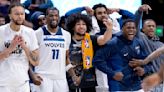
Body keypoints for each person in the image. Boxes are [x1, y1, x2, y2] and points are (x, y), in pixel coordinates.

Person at [93, 19, 152, 91]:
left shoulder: (138, 42)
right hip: (118, 87)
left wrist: (144, 70)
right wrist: (112, 73)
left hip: (137, 86)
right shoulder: (113, 43)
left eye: (133, 28)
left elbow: (149, 62)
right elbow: (97, 60)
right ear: (122, 29)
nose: (131, 30)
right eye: (128, 28)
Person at [34, 7, 79, 92]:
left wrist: (73, 76)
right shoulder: (37, 34)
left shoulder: (66, 35)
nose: (54, 18)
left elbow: (66, 58)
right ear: (46, 17)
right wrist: (33, 75)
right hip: (43, 76)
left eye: (56, 16)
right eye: (51, 16)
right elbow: (31, 57)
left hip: (60, 77)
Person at [65, 13, 113, 92]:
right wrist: (74, 76)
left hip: (88, 81)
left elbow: (104, 39)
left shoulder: (91, 39)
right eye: (78, 24)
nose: (81, 26)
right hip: (70, 81)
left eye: (84, 24)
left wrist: (109, 28)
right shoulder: (67, 39)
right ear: (73, 27)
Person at [0, 3, 39, 92]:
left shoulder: (30, 32)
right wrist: (11, 47)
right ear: (10, 15)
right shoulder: (1, 32)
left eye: (22, 14)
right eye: (17, 14)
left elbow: (36, 62)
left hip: (23, 83)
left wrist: (24, 46)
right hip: (3, 83)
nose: (20, 16)